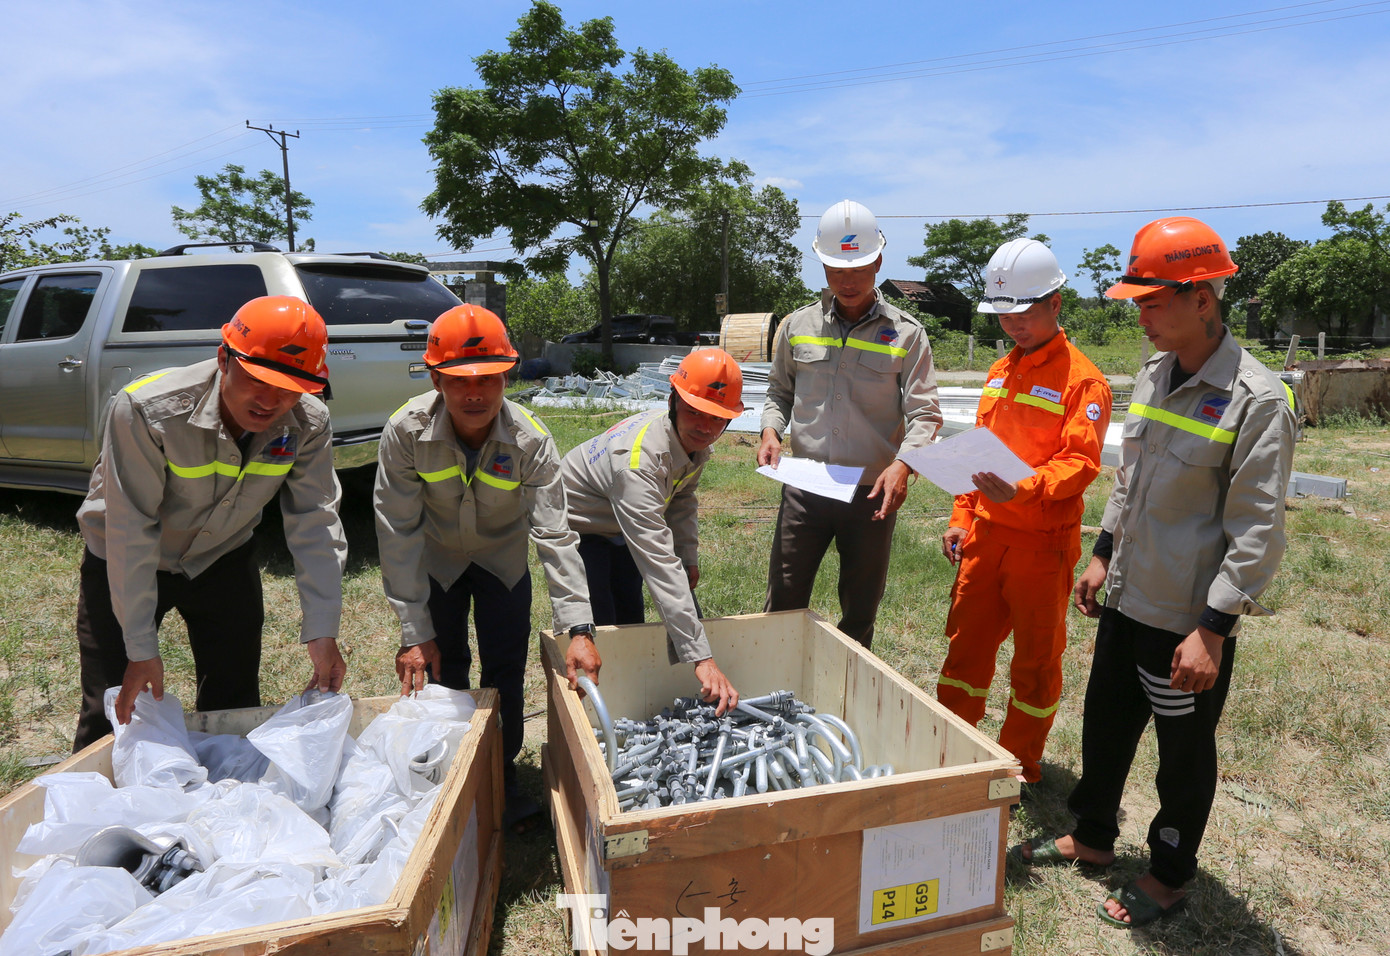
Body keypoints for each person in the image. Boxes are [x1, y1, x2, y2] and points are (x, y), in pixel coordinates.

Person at [1013, 218, 1296, 930]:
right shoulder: (1152, 372)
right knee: (1104, 724)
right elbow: (1129, 480)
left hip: (1184, 621)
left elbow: (1257, 530)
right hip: (1128, 595)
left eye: (1153, 300)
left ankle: (1169, 874)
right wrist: (1103, 550)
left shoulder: (1255, 400)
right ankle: (1094, 835)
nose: (1140, 314)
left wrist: (1214, 630)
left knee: (1182, 755)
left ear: (1203, 297)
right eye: (1135, 301)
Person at [74, 295, 348, 750]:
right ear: (224, 357)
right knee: (115, 708)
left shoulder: (308, 421)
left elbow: (315, 520)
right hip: (124, 560)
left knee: (234, 704)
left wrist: (322, 630)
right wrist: (141, 649)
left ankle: (227, 805)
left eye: (290, 387)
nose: (270, 400)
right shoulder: (147, 410)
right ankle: (100, 813)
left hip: (222, 558)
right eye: (258, 379)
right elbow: (131, 529)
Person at [373, 304, 600, 825]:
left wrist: (579, 628)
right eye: (458, 381)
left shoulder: (531, 441)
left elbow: (555, 534)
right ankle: (448, 776)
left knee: (504, 671)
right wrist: (412, 629)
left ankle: (500, 776)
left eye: (489, 379)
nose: (474, 393)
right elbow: (397, 529)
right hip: (438, 562)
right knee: (443, 667)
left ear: (507, 375)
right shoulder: (405, 432)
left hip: (502, 564)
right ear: (435, 378)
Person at [935, 239, 1112, 785]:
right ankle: (953, 751)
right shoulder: (998, 372)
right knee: (966, 650)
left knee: (1035, 663)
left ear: (1056, 303)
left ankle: (1016, 766)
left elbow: (1080, 462)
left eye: (1023, 312)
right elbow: (977, 456)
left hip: (1041, 544)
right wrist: (962, 518)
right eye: (1003, 314)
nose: (1012, 324)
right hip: (986, 537)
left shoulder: (1083, 381)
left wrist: (1027, 489)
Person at [758, 199, 941, 648]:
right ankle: (775, 691)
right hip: (807, 485)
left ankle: (845, 696)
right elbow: (779, 392)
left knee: (859, 611)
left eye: (858, 268)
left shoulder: (907, 334)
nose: (848, 280)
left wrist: (904, 465)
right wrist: (770, 430)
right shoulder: (796, 325)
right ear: (821, 265)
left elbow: (925, 414)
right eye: (837, 270)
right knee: (783, 599)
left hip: (870, 492)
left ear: (878, 260)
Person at [562, 349, 744, 715]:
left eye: (717, 418)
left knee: (629, 617)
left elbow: (682, 499)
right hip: (581, 525)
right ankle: (599, 713)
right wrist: (701, 658)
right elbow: (658, 562)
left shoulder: (691, 444)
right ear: (673, 401)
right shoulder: (639, 463)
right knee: (602, 622)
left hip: (620, 522)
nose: (705, 427)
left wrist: (688, 557)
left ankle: (627, 701)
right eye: (695, 412)